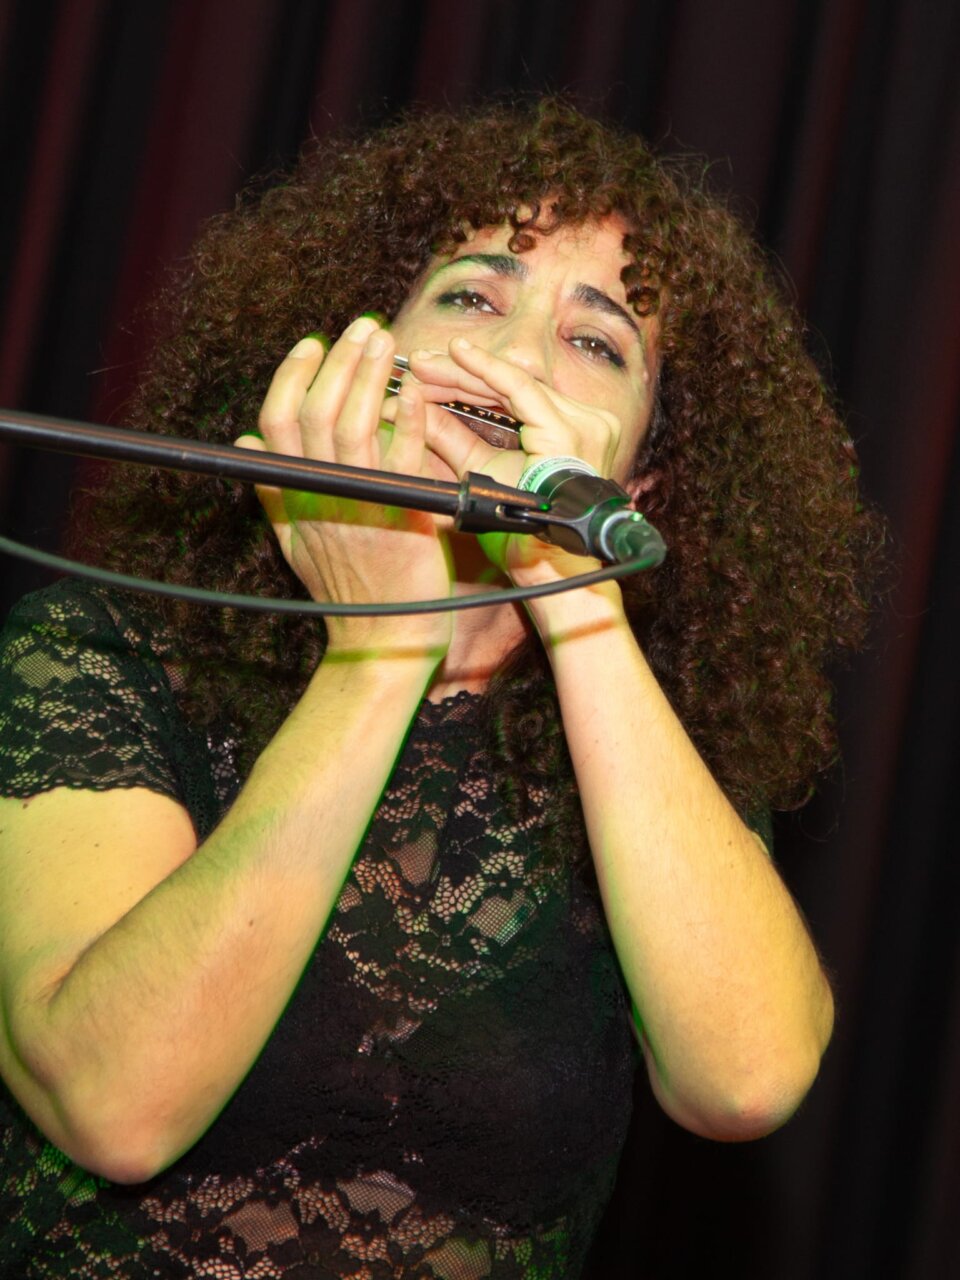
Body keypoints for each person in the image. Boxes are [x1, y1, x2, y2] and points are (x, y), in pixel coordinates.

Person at [0, 99, 879, 1278]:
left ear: (643, 480)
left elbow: (748, 1077)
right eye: (471, 297)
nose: (513, 358)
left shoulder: (638, 746)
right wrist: (381, 650)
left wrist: (573, 591)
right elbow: (114, 1104)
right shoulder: (103, 651)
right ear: (358, 356)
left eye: (597, 342)